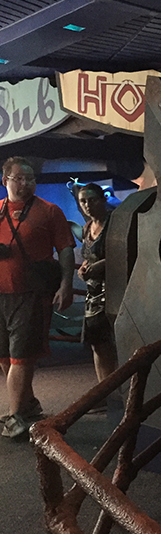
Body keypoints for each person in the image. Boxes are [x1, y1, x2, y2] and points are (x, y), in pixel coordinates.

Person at [0, 157, 75, 438]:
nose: (26, 183)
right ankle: (28, 405)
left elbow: (65, 250)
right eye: (19, 178)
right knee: (5, 356)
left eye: (30, 178)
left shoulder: (49, 211)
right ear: (5, 180)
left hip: (31, 294)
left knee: (22, 356)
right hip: (1, 294)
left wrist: (66, 284)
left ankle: (15, 416)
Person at [77, 183, 117, 385]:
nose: (87, 205)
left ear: (102, 200)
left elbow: (128, 251)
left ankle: (123, 390)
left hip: (115, 290)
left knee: (116, 343)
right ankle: (105, 389)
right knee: (98, 344)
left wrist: (102, 265)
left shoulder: (115, 223)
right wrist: (83, 269)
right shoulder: (87, 227)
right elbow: (88, 257)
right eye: (83, 201)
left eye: (92, 200)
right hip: (93, 294)